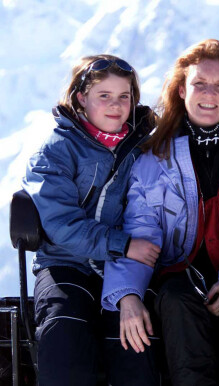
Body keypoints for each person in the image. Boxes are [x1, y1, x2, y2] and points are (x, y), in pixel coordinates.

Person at [101, 39, 219, 386]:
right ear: (183, 89)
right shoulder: (152, 157)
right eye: (200, 84)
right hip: (183, 278)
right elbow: (141, 233)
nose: (209, 94)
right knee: (173, 299)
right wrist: (126, 295)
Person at [22, 54, 160, 385]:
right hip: (66, 263)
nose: (116, 106)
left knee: (137, 341)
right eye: (104, 96)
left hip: (123, 266)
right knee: (64, 330)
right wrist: (122, 244)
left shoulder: (144, 146)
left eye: (124, 97)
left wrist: (129, 258)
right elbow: (60, 225)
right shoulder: (57, 149)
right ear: (81, 99)